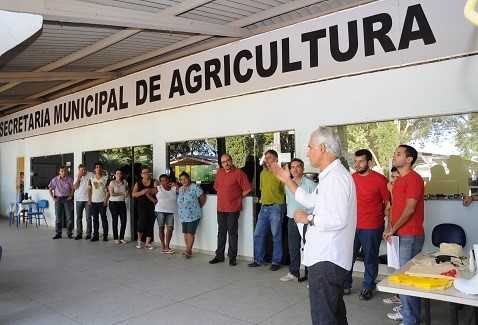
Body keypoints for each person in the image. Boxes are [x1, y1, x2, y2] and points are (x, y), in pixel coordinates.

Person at [273, 127, 356, 325]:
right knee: (334, 314)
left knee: (323, 318)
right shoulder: (330, 176)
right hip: (327, 258)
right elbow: (310, 200)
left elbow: (337, 219)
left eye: (309, 147)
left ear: (322, 148)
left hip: (326, 259)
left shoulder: (335, 178)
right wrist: (287, 180)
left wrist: (309, 219)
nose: (307, 152)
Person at [383, 145, 425, 325]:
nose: (394, 157)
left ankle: (410, 320)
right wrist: (390, 228)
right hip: (399, 234)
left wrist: (393, 229)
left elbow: (409, 209)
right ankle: (408, 315)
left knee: (408, 280)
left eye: (398, 154)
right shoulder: (398, 181)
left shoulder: (414, 179)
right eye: (394, 153)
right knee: (402, 278)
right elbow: (393, 208)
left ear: (409, 159)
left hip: (411, 235)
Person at [343, 149, 390, 300]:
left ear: (369, 163)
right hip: (351, 226)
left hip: (372, 226)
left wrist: (388, 224)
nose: (357, 164)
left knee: (370, 258)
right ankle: (345, 284)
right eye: (355, 162)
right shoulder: (350, 179)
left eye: (361, 161)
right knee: (347, 257)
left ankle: (367, 287)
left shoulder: (380, 180)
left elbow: (388, 203)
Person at [209, 154, 252, 266]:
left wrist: (237, 197)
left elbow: (247, 189)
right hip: (221, 208)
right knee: (221, 232)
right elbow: (218, 188)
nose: (226, 163)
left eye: (228, 161)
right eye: (223, 162)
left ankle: (232, 257)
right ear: (221, 163)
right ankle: (219, 256)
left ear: (231, 161)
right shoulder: (220, 173)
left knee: (232, 233)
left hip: (233, 208)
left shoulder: (239, 173)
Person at [248, 149, 285, 271]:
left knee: (276, 236)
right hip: (264, 208)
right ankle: (259, 260)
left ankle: (276, 261)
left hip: (276, 207)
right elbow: (262, 189)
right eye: (265, 157)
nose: (266, 159)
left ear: (276, 159)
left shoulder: (281, 173)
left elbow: (285, 191)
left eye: (269, 157)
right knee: (258, 234)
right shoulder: (262, 173)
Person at [279, 158, 316, 282]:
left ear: (303, 169)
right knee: (293, 247)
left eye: (298, 167)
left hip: (306, 221)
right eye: (292, 167)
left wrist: (310, 218)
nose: (295, 169)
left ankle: (311, 276)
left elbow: (315, 203)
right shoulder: (287, 184)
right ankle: (293, 272)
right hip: (292, 220)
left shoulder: (310, 184)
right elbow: (289, 202)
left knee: (309, 248)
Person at [177, 171, 206, 258]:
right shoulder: (181, 189)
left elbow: (203, 197)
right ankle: (188, 250)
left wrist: (198, 207)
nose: (183, 181)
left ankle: (188, 250)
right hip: (183, 215)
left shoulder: (195, 187)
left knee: (190, 233)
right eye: (181, 180)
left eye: (185, 179)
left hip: (193, 214)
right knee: (185, 232)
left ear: (189, 178)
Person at [132, 167, 157, 250]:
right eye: (144, 173)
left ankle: (147, 243)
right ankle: (139, 240)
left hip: (152, 206)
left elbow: (157, 190)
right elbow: (133, 194)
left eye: (147, 172)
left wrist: (148, 190)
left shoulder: (154, 181)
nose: (146, 174)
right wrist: (142, 192)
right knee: (141, 222)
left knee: (151, 223)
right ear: (141, 175)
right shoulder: (138, 183)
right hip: (141, 206)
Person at [154, 174, 179, 253]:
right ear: (160, 182)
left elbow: (182, 191)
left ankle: (167, 246)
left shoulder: (174, 188)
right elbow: (147, 192)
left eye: (166, 180)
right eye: (162, 181)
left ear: (169, 180)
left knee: (170, 229)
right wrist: (153, 200)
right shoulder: (158, 188)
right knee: (161, 228)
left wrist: (176, 185)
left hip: (170, 212)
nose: (165, 182)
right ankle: (163, 246)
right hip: (160, 211)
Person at [48, 166, 75, 239]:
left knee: (69, 217)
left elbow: (73, 189)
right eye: (62, 171)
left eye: (65, 171)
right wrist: (53, 198)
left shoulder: (69, 180)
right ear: (59, 172)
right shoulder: (55, 180)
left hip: (67, 200)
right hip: (58, 200)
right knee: (58, 218)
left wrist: (71, 196)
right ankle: (58, 233)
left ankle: (69, 233)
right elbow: (50, 189)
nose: (64, 172)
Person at [88, 162, 109, 242]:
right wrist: (89, 199)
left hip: (102, 202)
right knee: (95, 219)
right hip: (93, 201)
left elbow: (108, 191)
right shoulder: (92, 178)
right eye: (96, 167)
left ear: (102, 168)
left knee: (104, 218)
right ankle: (95, 235)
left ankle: (105, 235)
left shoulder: (106, 178)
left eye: (100, 167)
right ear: (94, 169)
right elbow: (89, 189)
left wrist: (106, 199)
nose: (98, 169)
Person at [73, 164, 94, 240]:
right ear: (79, 170)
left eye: (84, 169)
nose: (83, 171)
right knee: (79, 218)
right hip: (79, 199)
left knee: (88, 217)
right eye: (82, 170)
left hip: (88, 199)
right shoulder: (77, 176)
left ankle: (88, 234)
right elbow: (75, 187)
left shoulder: (91, 174)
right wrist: (79, 178)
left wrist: (91, 198)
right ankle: (79, 233)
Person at [108, 169, 129, 244]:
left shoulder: (125, 182)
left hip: (122, 203)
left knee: (123, 221)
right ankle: (116, 238)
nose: (119, 175)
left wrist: (126, 193)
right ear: (115, 175)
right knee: (115, 221)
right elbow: (112, 193)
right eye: (117, 173)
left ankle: (122, 237)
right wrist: (122, 193)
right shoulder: (112, 183)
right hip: (113, 203)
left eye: (120, 173)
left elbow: (127, 191)